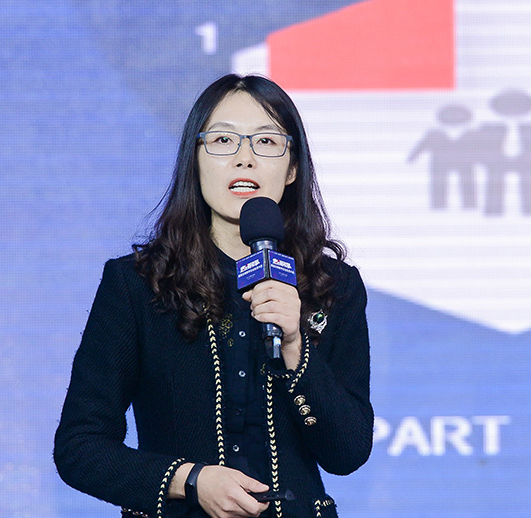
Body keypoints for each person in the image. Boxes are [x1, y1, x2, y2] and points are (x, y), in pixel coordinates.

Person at [54, 74, 373, 518]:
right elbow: (79, 446)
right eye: (223, 140)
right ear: (195, 159)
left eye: (266, 142)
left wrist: (296, 348)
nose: (244, 158)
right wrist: (190, 480)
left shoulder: (333, 286)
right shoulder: (138, 284)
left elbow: (348, 452)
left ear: (293, 168)